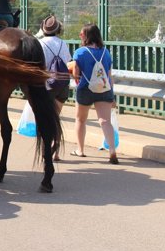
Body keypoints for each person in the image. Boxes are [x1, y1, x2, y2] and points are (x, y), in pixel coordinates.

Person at [71, 23, 118, 164]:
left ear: (87, 36)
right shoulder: (106, 52)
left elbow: (76, 74)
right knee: (105, 121)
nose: (80, 35)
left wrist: (74, 75)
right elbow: (109, 75)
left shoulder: (80, 52)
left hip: (86, 89)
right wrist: (112, 94)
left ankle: (80, 150)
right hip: (104, 89)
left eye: (82, 33)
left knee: (80, 120)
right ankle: (112, 151)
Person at [38, 15, 72, 161]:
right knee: (55, 117)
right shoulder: (63, 43)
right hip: (63, 84)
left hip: (48, 84)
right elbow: (68, 61)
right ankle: (56, 148)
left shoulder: (40, 44)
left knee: (45, 119)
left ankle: (45, 149)